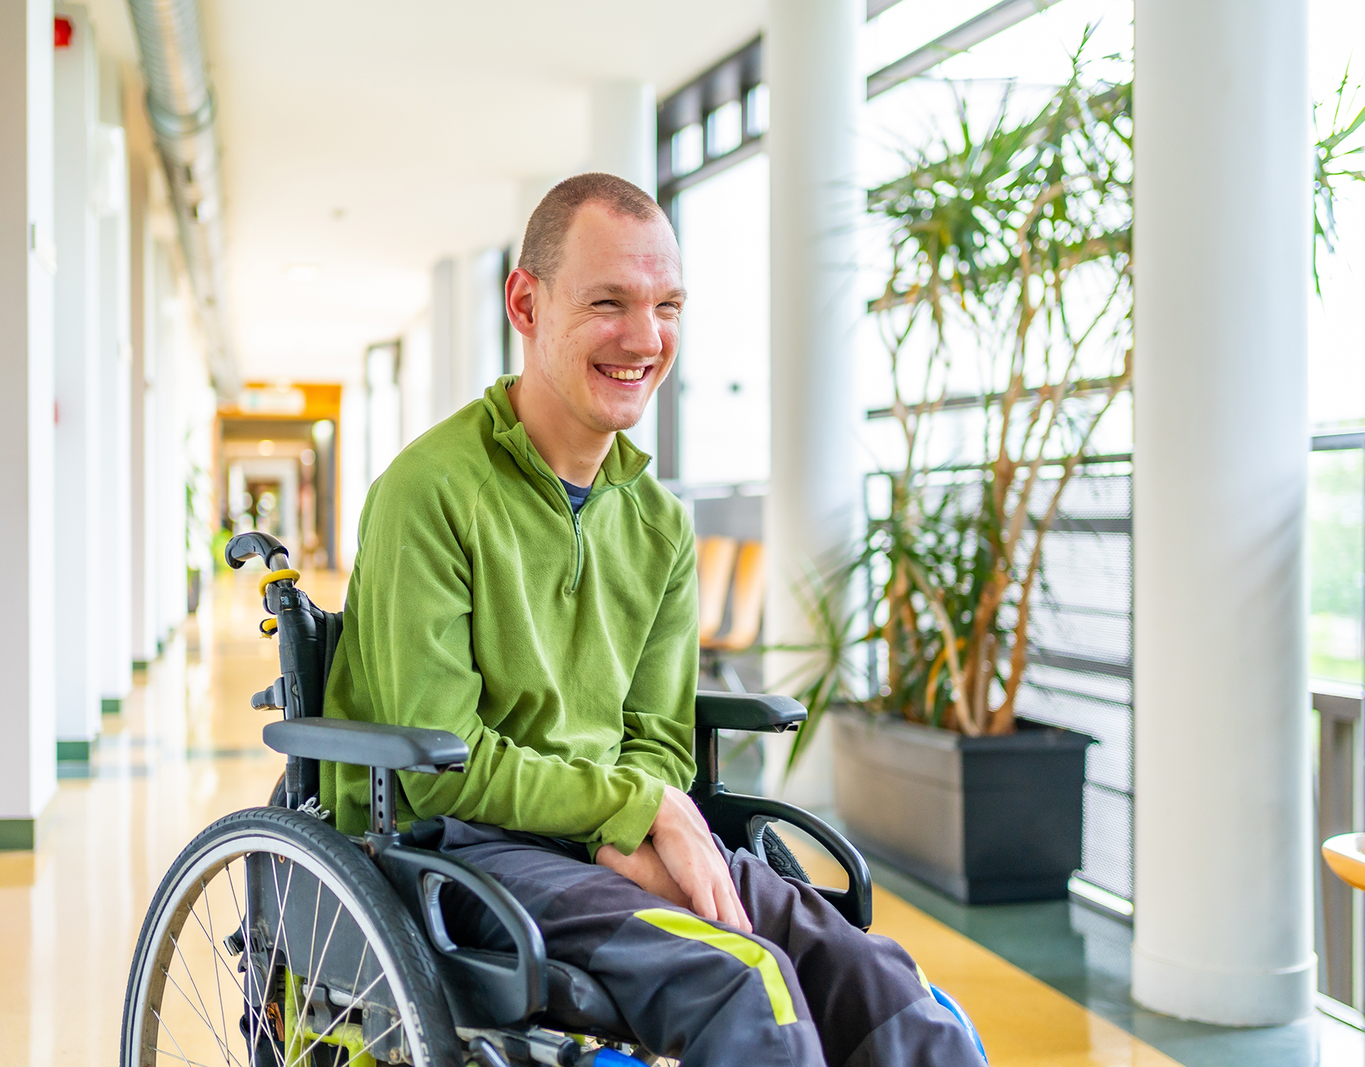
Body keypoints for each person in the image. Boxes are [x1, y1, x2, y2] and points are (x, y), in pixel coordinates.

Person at [321, 172, 987, 1067]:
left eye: (667, 304)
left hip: (613, 837)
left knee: (880, 982)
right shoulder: (428, 492)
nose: (646, 338)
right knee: (745, 980)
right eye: (609, 303)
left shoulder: (660, 523)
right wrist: (637, 811)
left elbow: (658, 736)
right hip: (463, 852)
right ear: (526, 301)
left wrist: (628, 830)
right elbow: (442, 769)